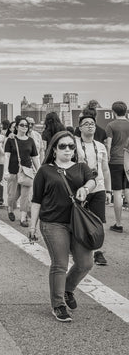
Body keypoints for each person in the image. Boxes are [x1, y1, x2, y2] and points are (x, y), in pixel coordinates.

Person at [30, 130, 97, 322]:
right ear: (54, 149)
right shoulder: (45, 171)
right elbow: (36, 200)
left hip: (77, 222)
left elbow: (92, 180)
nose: (67, 149)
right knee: (59, 264)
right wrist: (32, 227)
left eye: (71, 146)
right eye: (62, 146)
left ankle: (68, 288)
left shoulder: (81, 167)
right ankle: (58, 305)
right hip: (52, 222)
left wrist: (85, 188)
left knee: (85, 263)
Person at [75, 114, 112, 266]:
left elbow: (105, 169)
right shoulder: (74, 144)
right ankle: (78, 250)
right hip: (80, 188)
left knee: (98, 221)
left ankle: (98, 252)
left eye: (92, 124)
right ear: (80, 128)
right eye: (86, 123)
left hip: (99, 188)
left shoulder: (101, 146)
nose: (90, 126)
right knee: (78, 220)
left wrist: (109, 190)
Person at [4, 117, 40, 226]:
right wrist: (5, 172)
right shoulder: (11, 140)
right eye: (22, 125)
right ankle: (10, 208)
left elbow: (34, 157)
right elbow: (7, 156)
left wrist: (39, 170)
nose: (24, 127)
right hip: (13, 171)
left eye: (26, 125)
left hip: (27, 172)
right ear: (17, 127)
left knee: (26, 196)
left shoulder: (30, 140)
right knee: (12, 196)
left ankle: (23, 219)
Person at [105, 101, 129, 233]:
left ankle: (118, 224)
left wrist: (108, 157)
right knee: (128, 190)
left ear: (113, 112)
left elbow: (108, 144)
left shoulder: (111, 125)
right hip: (128, 161)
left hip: (115, 161)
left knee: (117, 193)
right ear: (125, 111)